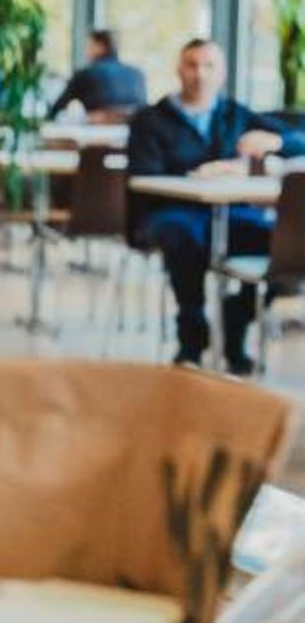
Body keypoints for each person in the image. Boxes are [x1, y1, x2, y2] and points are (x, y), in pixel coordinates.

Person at [126, 36, 294, 372]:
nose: (200, 74)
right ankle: (192, 333)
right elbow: (143, 176)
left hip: (230, 211)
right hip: (170, 212)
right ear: (179, 69)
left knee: (285, 247)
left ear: (223, 73)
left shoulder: (234, 114)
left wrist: (275, 142)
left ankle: (237, 320)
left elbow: (296, 140)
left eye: (209, 65)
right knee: (184, 236)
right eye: (192, 65)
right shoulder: (151, 120)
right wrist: (197, 176)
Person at [48, 28, 147, 118]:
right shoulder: (138, 74)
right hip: (135, 133)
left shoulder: (86, 74)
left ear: (100, 47)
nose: (87, 51)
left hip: (99, 133)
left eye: (90, 46)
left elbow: (57, 108)